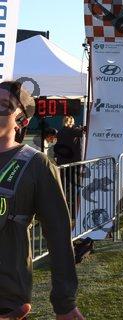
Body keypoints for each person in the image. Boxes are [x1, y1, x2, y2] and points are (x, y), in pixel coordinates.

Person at [0, 81, 84, 320]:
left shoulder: (36, 165)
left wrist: (64, 303)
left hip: (6, 299)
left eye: (4, 105)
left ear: (22, 121)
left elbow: (58, 236)